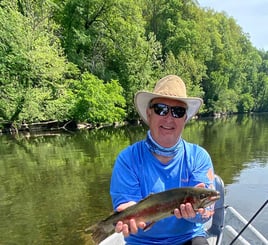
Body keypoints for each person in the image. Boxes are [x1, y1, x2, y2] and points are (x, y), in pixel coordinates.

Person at [110, 75, 216, 245]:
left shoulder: (199, 157)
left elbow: (206, 214)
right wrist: (127, 214)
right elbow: (126, 202)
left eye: (178, 111)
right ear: (149, 113)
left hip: (188, 237)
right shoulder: (127, 159)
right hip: (142, 241)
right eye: (161, 109)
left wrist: (196, 212)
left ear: (185, 119)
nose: (169, 118)